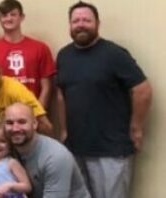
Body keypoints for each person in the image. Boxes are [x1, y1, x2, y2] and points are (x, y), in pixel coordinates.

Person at [57, 2, 153, 197]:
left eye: (86, 20)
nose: (81, 24)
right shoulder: (63, 56)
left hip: (111, 150)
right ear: (69, 25)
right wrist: (64, 129)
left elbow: (143, 90)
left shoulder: (114, 54)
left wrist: (137, 128)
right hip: (76, 147)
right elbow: (61, 95)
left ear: (98, 24)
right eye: (76, 21)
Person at [4, 103, 90, 198]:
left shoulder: (55, 156)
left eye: (22, 122)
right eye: (9, 123)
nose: (15, 128)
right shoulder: (6, 150)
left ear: (35, 124)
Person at [0, 0, 57, 107]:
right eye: (4, 15)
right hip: (1, 114)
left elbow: (46, 87)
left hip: (33, 112)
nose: (9, 18)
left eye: (13, 14)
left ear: (22, 17)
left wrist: (38, 114)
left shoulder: (41, 48)